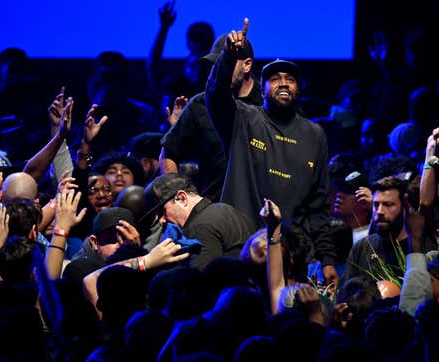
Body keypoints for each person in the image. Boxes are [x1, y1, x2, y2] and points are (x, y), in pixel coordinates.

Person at [205, 18, 337, 286]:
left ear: (299, 89)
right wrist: (229, 59)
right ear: (262, 88)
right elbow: (216, 96)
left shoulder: (315, 135)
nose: (283, 83)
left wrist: (328, 259)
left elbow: (318, 206)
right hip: (241, 246)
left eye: (290, 79)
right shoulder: (243, 118)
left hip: (292, 255)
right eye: (274, 79)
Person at [160, 32, 262, 202]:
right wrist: (178, 199)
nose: (220, 70)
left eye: (226, 63)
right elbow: (168, 153)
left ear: (247, 65)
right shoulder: (200, 104)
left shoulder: (268, 104)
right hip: (211, 208)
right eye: (216, 65)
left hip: (260, 211)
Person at [142, 173, 255, 269]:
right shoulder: (226, 208)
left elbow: (200, 284)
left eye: (162, 212)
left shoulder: (198, 227)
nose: (161, 221)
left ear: (182, 198)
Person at [342, 176, 408, 290]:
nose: (379, 211)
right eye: (376, 205)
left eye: (388, 204)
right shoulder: (362, 247)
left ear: (404, 206)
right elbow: (347, 293)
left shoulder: (418, 247)